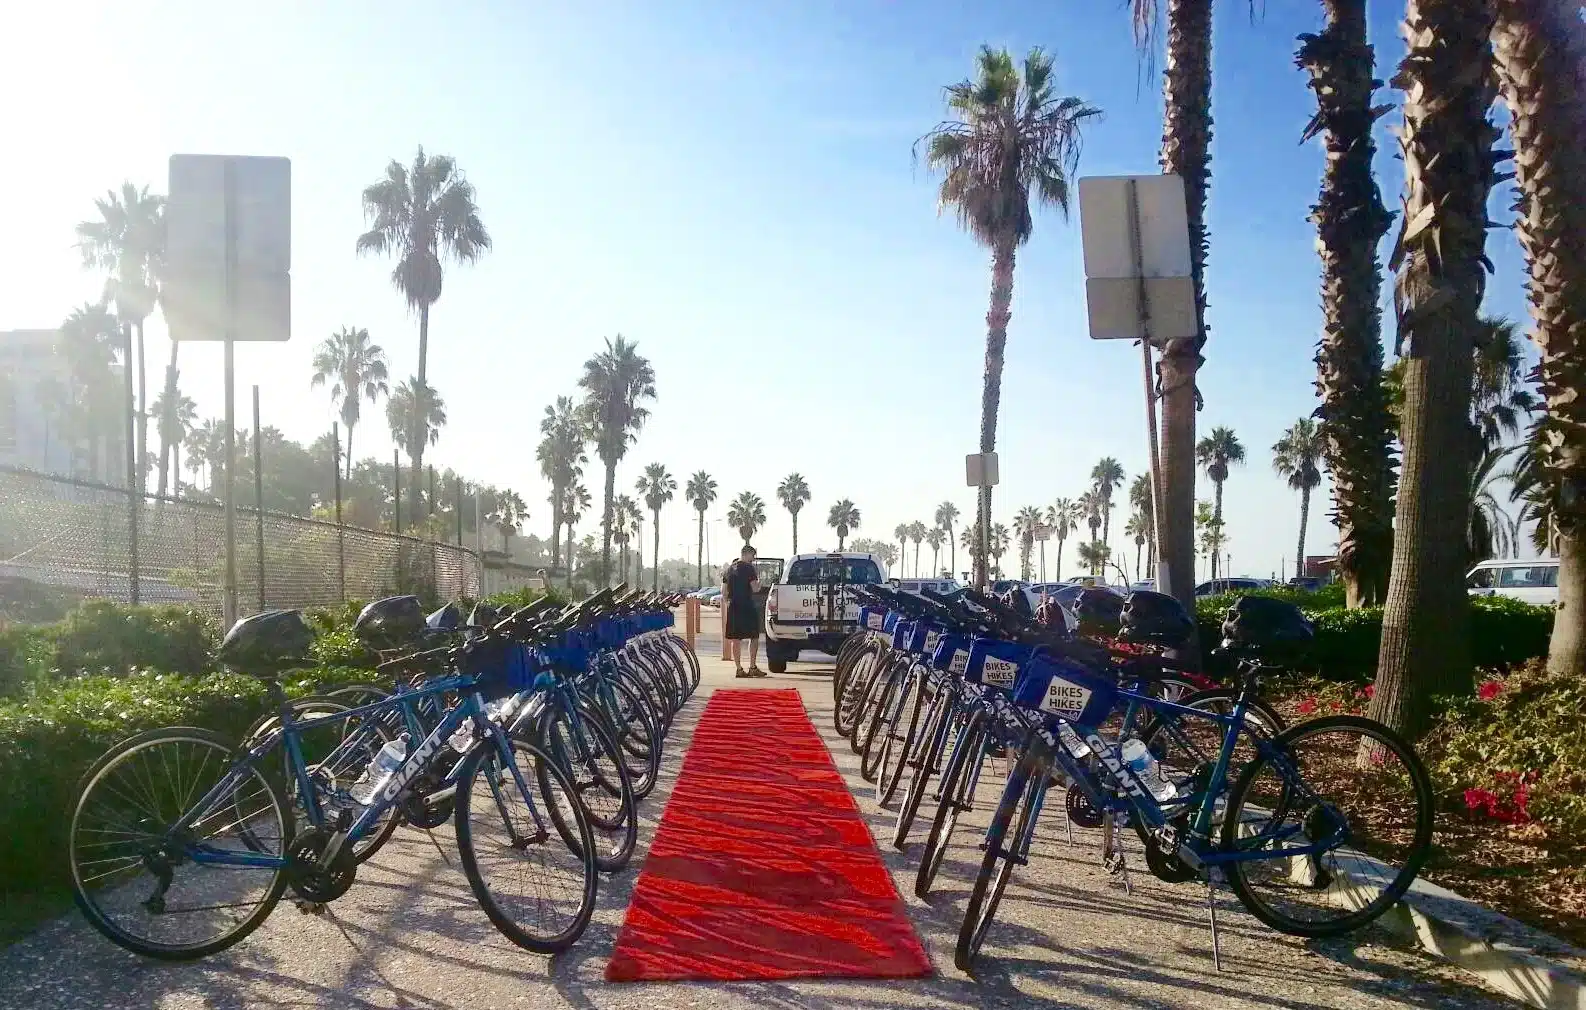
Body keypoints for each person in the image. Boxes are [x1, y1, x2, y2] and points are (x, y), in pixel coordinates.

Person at [722, 544, 765, 677]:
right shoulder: (749, 568)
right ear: (747, 554)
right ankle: (752, 667)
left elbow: (723, 591)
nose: (753, 558)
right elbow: (755, 588)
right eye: (753, 555)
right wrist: (760, 581)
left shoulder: (729, 569)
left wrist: (728, 602)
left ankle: (739, 669)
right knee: (754, 636)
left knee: (736, 639)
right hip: (747, 606)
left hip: (733, 607)